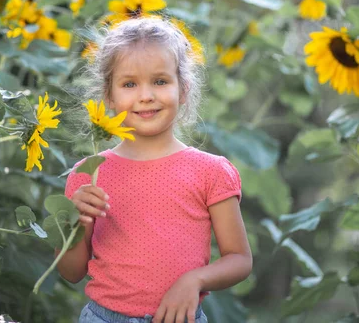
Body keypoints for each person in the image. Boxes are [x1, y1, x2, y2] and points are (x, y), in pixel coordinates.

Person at [57, 17, 252, 323]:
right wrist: (75, 222)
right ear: (109, 96)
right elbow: (70, 272)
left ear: (183, 89)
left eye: (160, 81)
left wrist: (195, 280)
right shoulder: (89, 174)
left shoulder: (210, 171)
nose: (146, 95)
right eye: (129, 84)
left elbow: (239, 259)